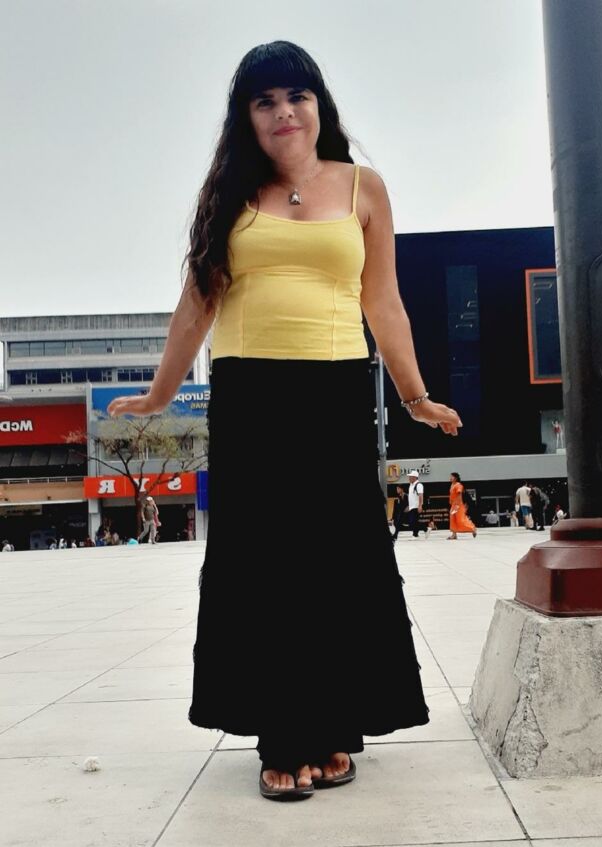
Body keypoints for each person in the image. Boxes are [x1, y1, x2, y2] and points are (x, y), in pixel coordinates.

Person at [106, 41, 462, 802]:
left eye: (295, 96)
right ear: (247, 117)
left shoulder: (363, 188)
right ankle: (283, 735)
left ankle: (333, 724)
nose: (283, 112)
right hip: (251, 395)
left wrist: (415, 396)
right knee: (264, 561)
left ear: (318, 104)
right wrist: (160, 394)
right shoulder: (230, 194)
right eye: (264, 101)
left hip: (336, 391)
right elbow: (197, 303)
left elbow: (383, 300)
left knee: (337, 559)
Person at [448, 472, 477, 540]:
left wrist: (457, 505)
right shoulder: (452, 485)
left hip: (458, 505)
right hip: (453, 505)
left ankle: (472, 528)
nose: (450, 478)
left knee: (460, 520)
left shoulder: (458, 485)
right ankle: (454, 535)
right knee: (453, 519)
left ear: (455, 478)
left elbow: (459, 495)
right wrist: (451, 502)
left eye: (451, 476)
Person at [406, 470, 425, 538]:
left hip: (416, 506)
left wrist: (420, 505)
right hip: (412, 506)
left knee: (413, 521)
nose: (409, 478)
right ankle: (416, 534)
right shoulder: (411, 485)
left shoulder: (418, 485)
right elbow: (411, 497)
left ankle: (423, 530)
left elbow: (421, 495)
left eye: (410, 476)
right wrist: (409, 506)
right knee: (413, 522)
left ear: (414, 477)